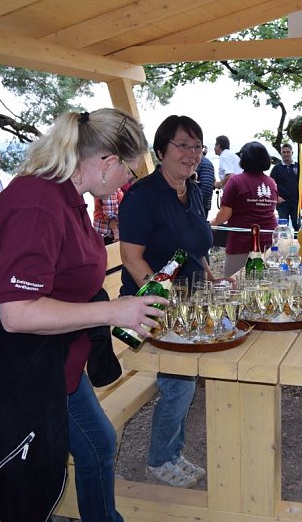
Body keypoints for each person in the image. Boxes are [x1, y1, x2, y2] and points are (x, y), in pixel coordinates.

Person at [0, 109, 163, 522]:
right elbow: (17, 313)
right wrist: (114, 310)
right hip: (21, 367)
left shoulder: (65, 196)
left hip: (56, 357)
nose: (127, 181)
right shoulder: (37, 204)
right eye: (129, 171)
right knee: (26, 482)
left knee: (97, 442)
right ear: (107, 161)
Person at [119, 115, 213, 489]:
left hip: (191, 301)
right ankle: (160, 459)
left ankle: (172, 452)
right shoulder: (141, 196)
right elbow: (131, 258)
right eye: (182, 145)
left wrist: (210, 276)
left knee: (187, 377)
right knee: (179, 381)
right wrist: (163, 302)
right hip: (151, 306)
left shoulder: (195, 192)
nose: (191, 154)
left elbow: (196, 246)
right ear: (161, 151)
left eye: (197, 146)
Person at [211, 142, 278, 276]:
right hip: (269, 243)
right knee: (265, 282)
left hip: (242, 242)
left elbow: (224, 214)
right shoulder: (271, 182)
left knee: (234, 281)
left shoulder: (235, 181)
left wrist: (211, 224)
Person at [270, 142, 301, 230]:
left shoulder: (299, 166)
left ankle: (298, 240)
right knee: (283, 227)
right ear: (281, 153)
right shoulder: (276, 168)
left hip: (296, 202)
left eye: (288, 152)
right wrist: (276, 197)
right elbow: (271, 184)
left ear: (292, 153)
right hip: (282, 203)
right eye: (284, 152)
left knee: (297, 226)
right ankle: (284, 240)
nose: (286, 154)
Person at [195, 145, 216, 217]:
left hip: (198, 205)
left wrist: (196, 203)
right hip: (202, 204)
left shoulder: (201, 162)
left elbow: (206, 186)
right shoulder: (207, 163)